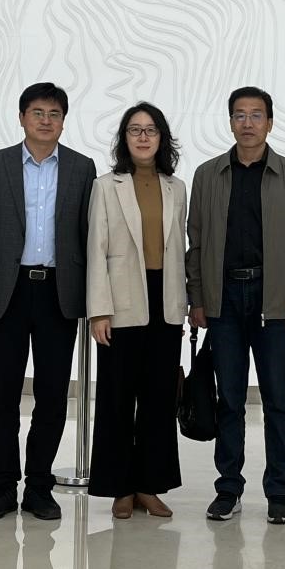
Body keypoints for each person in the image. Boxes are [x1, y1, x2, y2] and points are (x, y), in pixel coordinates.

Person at [0, 82, 96, 521]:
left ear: (64, 121)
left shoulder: (82, 168)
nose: (45, 120)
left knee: (53, 395)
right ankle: (2, 486)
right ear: (22, 117)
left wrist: (93, 298)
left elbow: (89, 237)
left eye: (54, 113)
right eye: (37, 112)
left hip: (59, 292)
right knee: (2, 395)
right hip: (7, 291)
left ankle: (39, 486)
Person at [185, 86, 285, 525]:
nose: (247, 123)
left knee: (277, 400)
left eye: (256, 115)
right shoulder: (208, 175)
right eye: (239, 115)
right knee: (230, 401)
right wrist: (197, 298)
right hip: (222, 302)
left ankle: (279, 492)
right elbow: (195, 242)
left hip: (272, 302)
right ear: (230, 122)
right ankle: (228, 489)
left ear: (270, 123)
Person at [86, 103, 187, 519]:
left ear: (162, 138)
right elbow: (96, 249)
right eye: (135, 130)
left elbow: (179, 249)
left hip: (166, 302)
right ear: (124, 138)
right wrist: (99, 311)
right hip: (121, 300)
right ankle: (120, 488)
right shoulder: (106, 186)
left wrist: (185, 306)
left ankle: (149, 485)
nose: (143, 137)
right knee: (117, 397)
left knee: (159, 398)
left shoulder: (176, 187)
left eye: (151, 130)